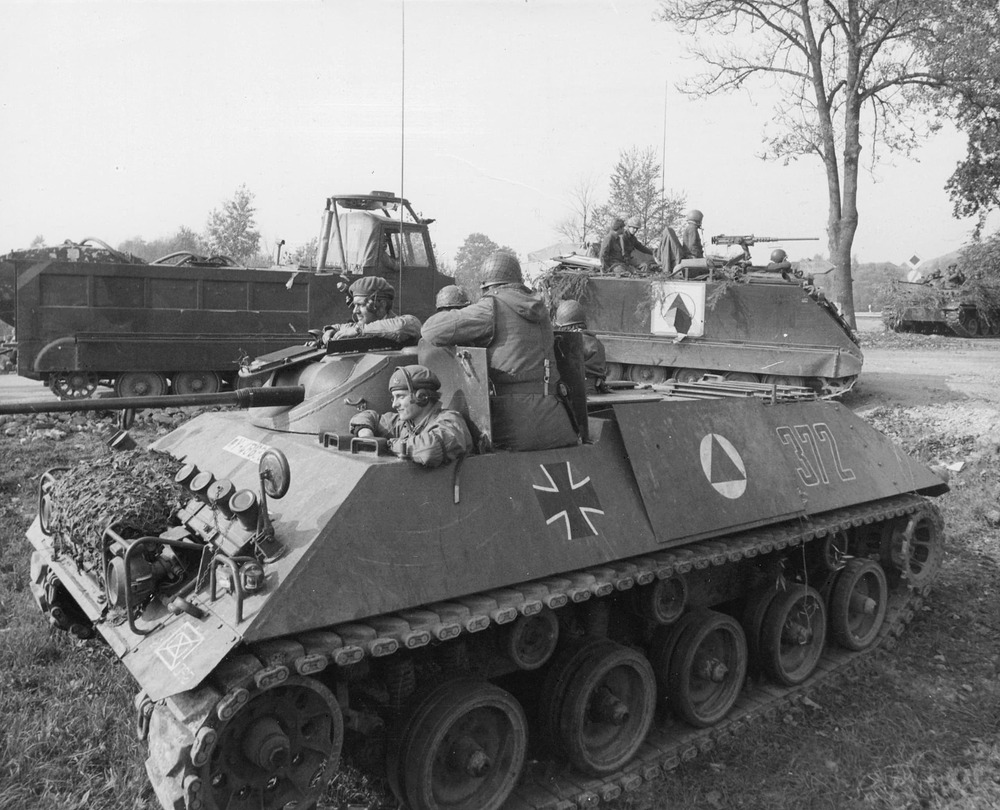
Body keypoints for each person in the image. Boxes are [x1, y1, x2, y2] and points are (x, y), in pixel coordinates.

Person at [421, 252, 578, 451]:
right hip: (558, 422)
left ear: (487, 286)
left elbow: (430, 330)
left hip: (516, 427)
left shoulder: (491, 307)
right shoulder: (540, 309)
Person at [349, 365, 473, 468]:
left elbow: (430, 449)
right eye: (394, 397)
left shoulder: (450, 421)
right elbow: (368, 416)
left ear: (422, 397)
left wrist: (388, 444)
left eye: (401, 397)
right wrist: (366, 434)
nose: (394, 404)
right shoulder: (406, 423)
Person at [321, 276, 421, 345]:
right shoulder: (365, 325)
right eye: (355, 305)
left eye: (360, 305)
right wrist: (331, 330)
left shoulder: (407, 324)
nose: (355, 311)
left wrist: (358, 331)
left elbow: (401, 327)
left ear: (381, 305)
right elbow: (344, 327)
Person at [553, 300, 607, 395]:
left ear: (564, 326)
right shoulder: (596, 342)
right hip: (593, 389)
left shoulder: (571, 342)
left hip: (573, 391)